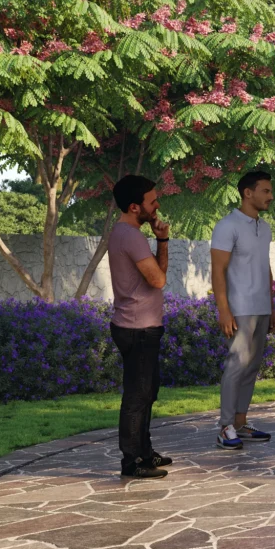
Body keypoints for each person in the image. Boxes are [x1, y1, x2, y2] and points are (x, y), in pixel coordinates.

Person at [105, 174, 173, 479]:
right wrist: (162, 242)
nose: (157, 206)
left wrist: (161, 240)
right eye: (152, 201)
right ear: (135, 207)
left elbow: (156, 276)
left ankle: (145, 452)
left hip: (139, 326)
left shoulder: (125, 233)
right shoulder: (130, 236)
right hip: (138, 329)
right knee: (137, 396)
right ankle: (132, 462)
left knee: (146, 392)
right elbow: (158, 279)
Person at [210, 170, 275, 449]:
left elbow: (266, 269)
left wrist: (272, 307)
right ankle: (225, 426)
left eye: (270, 192)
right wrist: (223, 310)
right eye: (265, 191)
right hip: (239, 309)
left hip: (261, 307)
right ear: (247, 193)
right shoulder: (227, 226)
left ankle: (240, 422)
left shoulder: (266, 228)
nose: (270, 197)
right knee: (237, 365)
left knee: (251, 367)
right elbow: (218, 270)